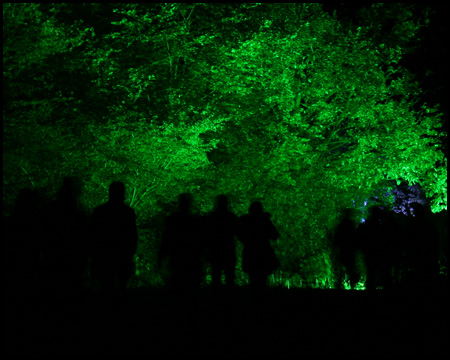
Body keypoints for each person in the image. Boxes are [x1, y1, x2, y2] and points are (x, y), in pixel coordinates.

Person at [91, 181, 138, 297]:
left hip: (105, 254)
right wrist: (130, 252)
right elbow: (133, 235)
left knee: (106, 286)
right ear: (122, 193)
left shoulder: (100, 212)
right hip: (122, 254)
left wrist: (94, 254)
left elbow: (93, 235)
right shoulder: (128, 212)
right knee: (121, 286)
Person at [159, 193, 205, 299]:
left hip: (178, 257)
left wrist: (161, 255)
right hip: (192, 258)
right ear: (190, 203)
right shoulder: (195, 220)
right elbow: (201, 240)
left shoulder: (173, 219)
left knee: (177, 285)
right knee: (192, 287)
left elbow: (166, 238)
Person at [238, 201, 280, 302]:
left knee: (253, 279)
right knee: (262, 280)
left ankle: (254, 300)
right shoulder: (264, 221)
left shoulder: (246, 221)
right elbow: (275, 235)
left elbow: (240, 235)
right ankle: (261, 300)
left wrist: (248, 240)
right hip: (263, 253)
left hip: (250, 253)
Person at [206, 195, 239, 292]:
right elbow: (238, 232)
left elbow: (206, 234)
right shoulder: (231, 216)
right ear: (226, 204)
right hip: (228, 250)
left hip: (215, 250)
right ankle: (229, 300)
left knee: (216, 276)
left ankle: (216, 300)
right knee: (229, 277)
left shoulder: (212, 217)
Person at [333, 208, 358, 289]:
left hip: (344, 249)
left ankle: (340, 284)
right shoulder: (351, 224)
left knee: (342, 268)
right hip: (349, 249)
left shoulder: (341, 224)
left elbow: (337, 237)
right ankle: (351, 285)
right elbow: (355, 237)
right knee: (350, 268)